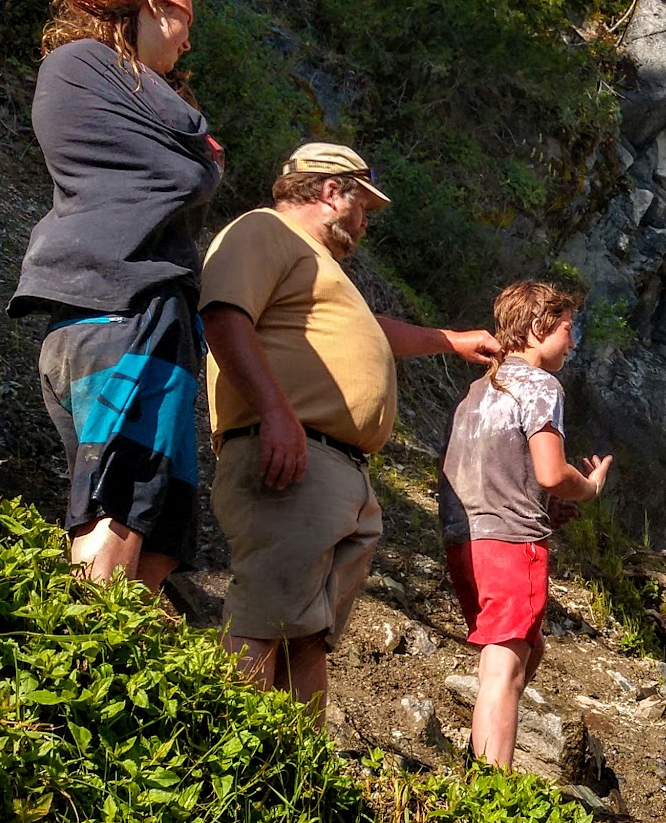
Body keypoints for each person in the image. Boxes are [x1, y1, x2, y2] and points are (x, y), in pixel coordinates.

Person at [199, 142, 500, 708]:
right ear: (332, 190)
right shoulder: (264, 230)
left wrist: (450, 341)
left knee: (308, 638)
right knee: (265, 619)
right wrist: (276, 413)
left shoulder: (320, 270)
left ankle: (295, 779)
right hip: (291, 456)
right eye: (362, 204)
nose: (365, 221)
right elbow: (223, 314)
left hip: (338, 470)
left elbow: (372, 329)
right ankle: (224, 752)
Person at [11, 0, 222, 588]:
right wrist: (201, 151)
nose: (187, 42)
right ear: (153, 3)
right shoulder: (82, 63)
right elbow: (193, 163)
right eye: (184, 19)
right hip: (126, 313)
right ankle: (78, 675)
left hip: (131, 315)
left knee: (155, 536)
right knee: (118, 514)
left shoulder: (112, 82)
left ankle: (113, 674)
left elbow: (186, 163)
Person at [437, 280, 613, 766]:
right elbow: (553, 472)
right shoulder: (541, 385)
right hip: (511, 543)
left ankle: (481, 760)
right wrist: (590, 487)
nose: (572, 343)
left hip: (464, 539)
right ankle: (491, 797)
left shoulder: (476, 391)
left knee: (523, 650)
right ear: (539, 328)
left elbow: (484, 466)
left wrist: (543, 505)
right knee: (507, 669)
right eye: (567, 329)